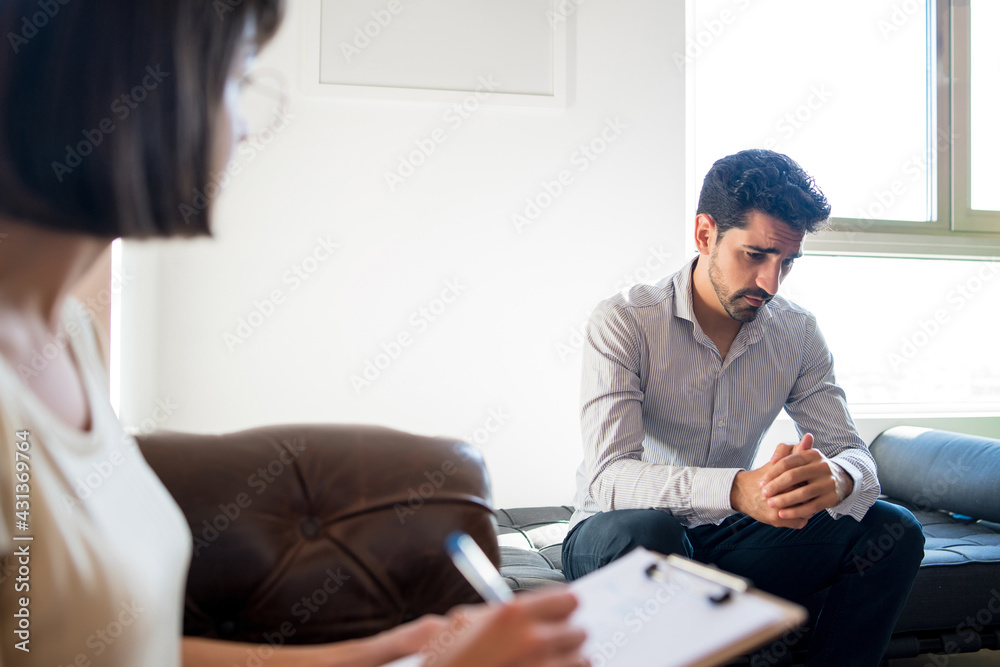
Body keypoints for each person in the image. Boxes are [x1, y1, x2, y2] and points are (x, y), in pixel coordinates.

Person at [0, 2, 588, 666]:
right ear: (137, 89)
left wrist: (382, 653)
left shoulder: (71, 336)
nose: (247, 126)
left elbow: (120, 646)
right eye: (237, 78)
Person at [561, 149, 925, 666]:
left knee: (894, 530)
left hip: (724, 536)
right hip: (615, 534)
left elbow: (854, 453)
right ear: (705, 234)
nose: (771, 284)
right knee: (651, 531)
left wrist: (838, 480)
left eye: (788, 262)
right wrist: (738, 488)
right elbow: (611, 478)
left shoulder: (797, 333)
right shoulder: (624, 321)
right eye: (755, 255)